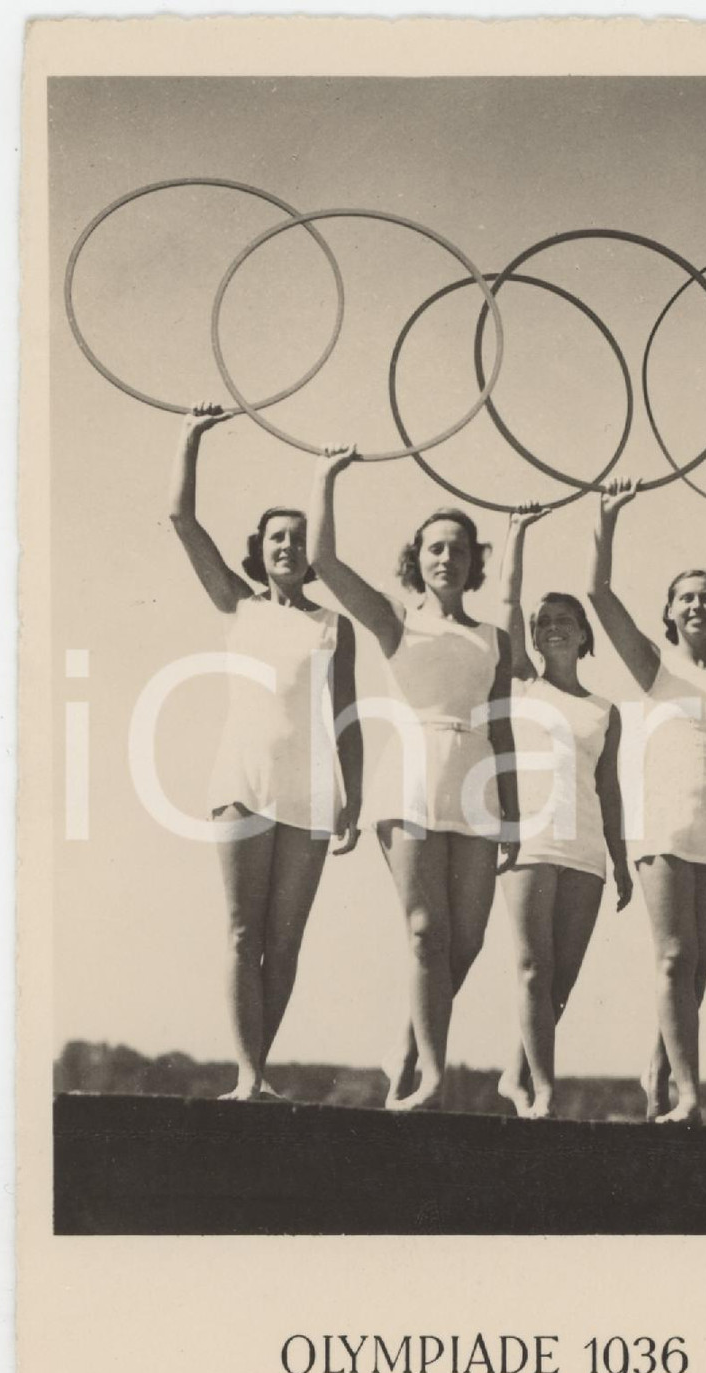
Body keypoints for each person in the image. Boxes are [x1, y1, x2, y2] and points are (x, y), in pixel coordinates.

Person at [307, 448, 518, 1112]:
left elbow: (504, 729)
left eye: (457, 548)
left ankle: (406, 1047)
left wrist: (511, 815)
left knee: (470, 938)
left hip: (478, 780)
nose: (445, 558)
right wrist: (326, 477)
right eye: (433, 548)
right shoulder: (395, 619)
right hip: (413, 778)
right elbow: (325, 564)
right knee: (428, 931)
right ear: (417, 557)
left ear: (473, 561)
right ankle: (432, 1076)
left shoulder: (496, 639)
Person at [169, 403, 362, 1101]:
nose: (288, 546)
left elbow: (348, 720)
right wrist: (191, 437)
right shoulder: (239, 605)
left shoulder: (334, 625)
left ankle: (259, 1070)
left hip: (311, 790)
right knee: (241, 930)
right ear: (262, 547)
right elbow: (182, 522)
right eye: (278, 537)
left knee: (284, 943)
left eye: (300, 537)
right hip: (243, 781)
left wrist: (354, 799)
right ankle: (247, 1076)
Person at [588, 479, 706, 1125]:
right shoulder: (654, 666)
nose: (697, 605)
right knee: (673, 959)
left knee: (698, 972)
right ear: (670, 611)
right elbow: (599, 597)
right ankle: (690, 1095)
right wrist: (607, 520)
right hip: (661, 828)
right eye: (685, 597)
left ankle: (660, 1070)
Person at [495, 505, 632, 1119]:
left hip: (585, 849)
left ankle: (515, 1073)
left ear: (584, 634)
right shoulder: (522, 683)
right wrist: (516, 533)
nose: (553, 629)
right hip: (527, 840)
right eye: (543, 622)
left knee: (561, 984)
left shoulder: (606, 709)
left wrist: (622, 861)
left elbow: (611, 792)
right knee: (531, 969)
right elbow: (505, 603)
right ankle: (541, 1091)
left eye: (565, 622)